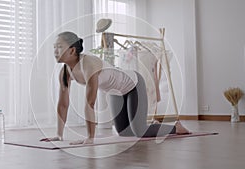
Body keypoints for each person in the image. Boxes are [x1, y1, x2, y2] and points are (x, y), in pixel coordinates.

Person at [40, 31, 190, 145]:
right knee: (124, 133)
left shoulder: (88, 64)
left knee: (139, 131)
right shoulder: (64, 72)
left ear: (72, 50)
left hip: (133, 84)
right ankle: (151, 125)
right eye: (54, 47)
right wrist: (59, 135)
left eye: (59, 47)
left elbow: (90, 104)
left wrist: (90, 138)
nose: (55, 51)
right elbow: (63, 104)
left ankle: (176, 127)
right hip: (115, 92)